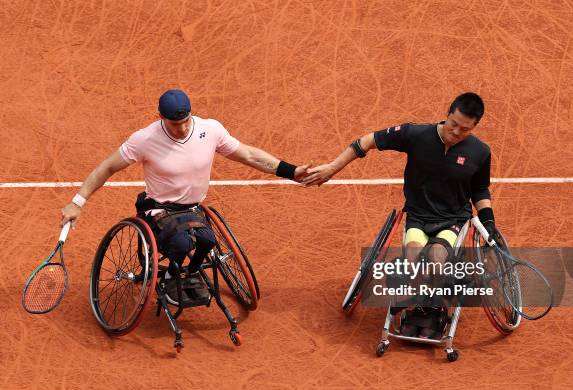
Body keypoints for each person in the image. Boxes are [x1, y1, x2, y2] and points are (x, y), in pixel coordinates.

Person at [61, 89, 308, 305]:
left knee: (208, 240)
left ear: (191, 114)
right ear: (161, 118)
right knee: (180, 244)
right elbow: (107, 167)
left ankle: (188, 273)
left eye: (185, 121)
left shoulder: (210, 130)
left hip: (193, 210)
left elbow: (250, 156)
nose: (181, 129)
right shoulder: (145, 139)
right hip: (159, 210)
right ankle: (170, 278)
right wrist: (77, 202)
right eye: (174, 124)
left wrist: (291, 172)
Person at [303, 92, 499, 339]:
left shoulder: (480, 152)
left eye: (464, 129)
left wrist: (488, 220)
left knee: (438, 259)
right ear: (447, 115)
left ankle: (431, 301)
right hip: (418, 216)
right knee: (415, 259)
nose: (456, 132)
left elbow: (480, 189)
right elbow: (367, 141)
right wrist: (332, 168)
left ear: (475, 126)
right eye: (454, 124)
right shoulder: (416, 135)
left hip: (452, 221)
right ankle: (420, 297)